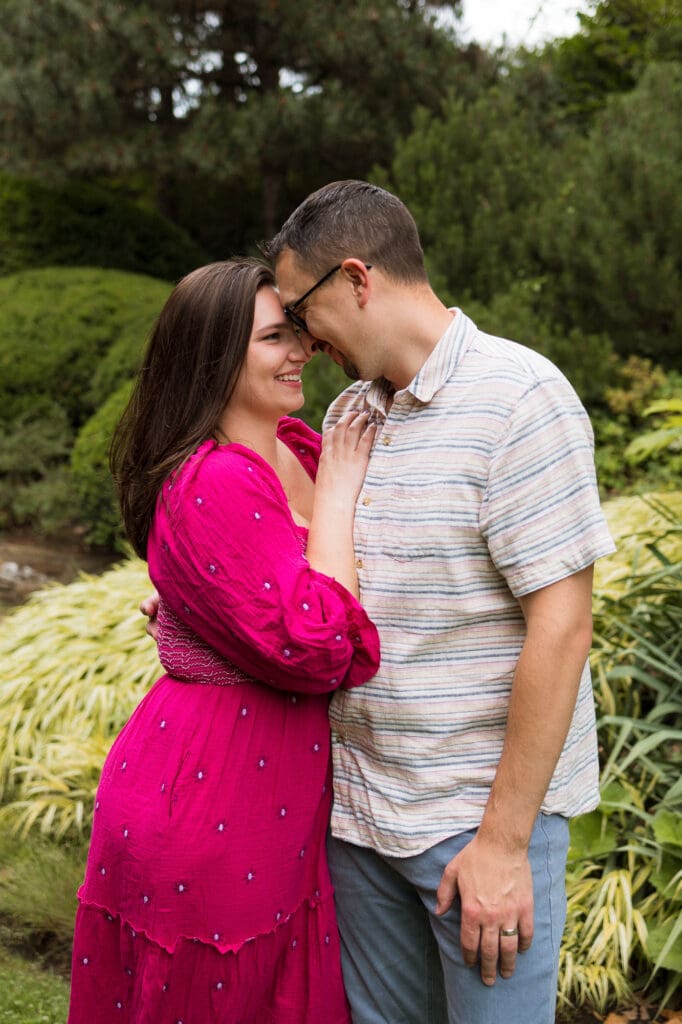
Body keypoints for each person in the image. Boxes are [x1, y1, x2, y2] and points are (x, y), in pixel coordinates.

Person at [265, 180, 617, 1024]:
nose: (304, 341)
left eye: (303, 311)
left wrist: (501, 845)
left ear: (358, 279)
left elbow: (562, 629)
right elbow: (317, 582)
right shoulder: (355, 411)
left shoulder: (520, 400)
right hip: (360, 823)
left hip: (476, 828)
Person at [68, 258, 380, 1024]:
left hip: (278, 796)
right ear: (214, 356)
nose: (300, 351)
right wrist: (338, 498)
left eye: (299, 333)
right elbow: (319, 647)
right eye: (276, 337)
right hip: (211, 802)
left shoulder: (303, 449)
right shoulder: (218, 478)